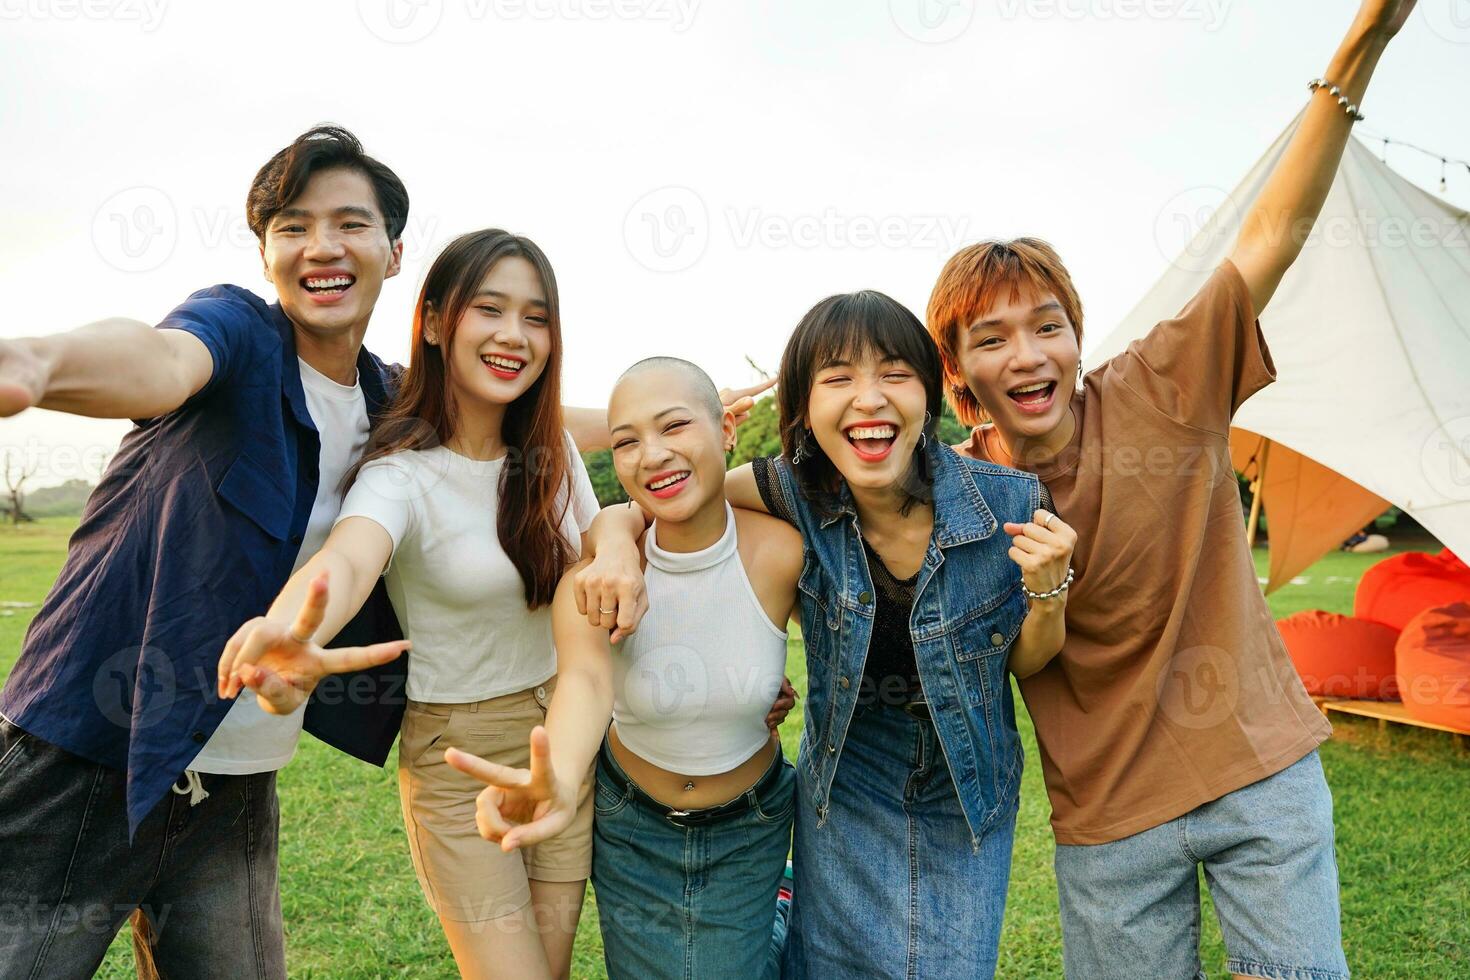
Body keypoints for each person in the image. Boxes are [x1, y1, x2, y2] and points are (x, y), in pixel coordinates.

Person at [923, 3, 1418, 977]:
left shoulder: (1165, 385)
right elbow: (1019, 663)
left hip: (1258, 772)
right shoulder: (961, 495)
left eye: (1048, 323)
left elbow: (1273, 234)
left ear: (1077, 333)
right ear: (957, 376)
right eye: (991, 337)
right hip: (1111, 822)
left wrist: (1363, 46)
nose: (1028, 353)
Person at [216, 240, 796, 979]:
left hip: (568, 738)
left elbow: (614, 543)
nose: (513, 335)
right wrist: (295, 627)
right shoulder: (402, 473)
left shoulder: (548, 454)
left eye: (536, 316)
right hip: (461, 759)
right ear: (432, 322)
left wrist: (621, 549)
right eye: (489, 309)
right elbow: (349, 558)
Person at [0, 125, 417, 978]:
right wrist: (38, 362)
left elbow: (521, 416)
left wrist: (661, 426)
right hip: (81, 756)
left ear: (394, 251)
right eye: (293, 226)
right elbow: (158, 360)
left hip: (233, 785)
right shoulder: (238, 333)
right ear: (266, 253)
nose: (322, 247)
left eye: (349, 223)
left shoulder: (388, 398)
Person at [579, 292, 1076, 977]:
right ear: (806, 408)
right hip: (848, 772)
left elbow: (1026, 660)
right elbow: (671, 487)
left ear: (928, 395)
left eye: (895, 374)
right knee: (829, 965)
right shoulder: (792, 490)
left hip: (968, 785)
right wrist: (610, 541)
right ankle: (787, 909)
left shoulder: (1012, 504)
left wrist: (1047, 591)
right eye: (838, 378)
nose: (868, 399)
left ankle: (782, 908)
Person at [446, 357, 803, 980]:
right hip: (632, 826)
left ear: (726, 432)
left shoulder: (782, 551)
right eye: (627, 441)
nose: (653, 454)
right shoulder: (597, 578)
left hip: (751, 822)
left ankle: (780, 912)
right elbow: (584, 685)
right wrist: (554, 776)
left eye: (674, 427)